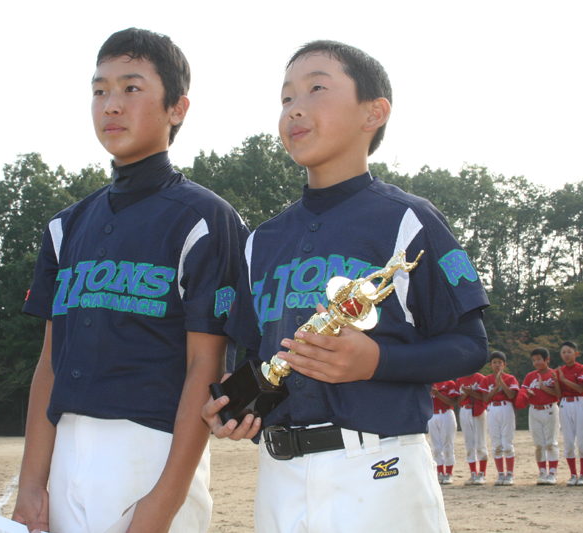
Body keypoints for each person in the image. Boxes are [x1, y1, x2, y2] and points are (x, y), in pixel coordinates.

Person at [202, 40, 489, 533]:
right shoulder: (261, 241)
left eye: (316, 89)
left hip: (379, 467)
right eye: (286, 98)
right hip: (278, 475)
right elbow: (255, 355)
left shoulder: (408, 219)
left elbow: (469, 345)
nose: (295, 108)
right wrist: (238, 405)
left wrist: (377, 361)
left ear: (373, 112)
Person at [12, 28, 247, 533]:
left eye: (131, 88)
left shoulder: (204, 219)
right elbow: (50, 362)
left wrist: (164, 500)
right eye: (99, 91)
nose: (111, 105)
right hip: (65, 453)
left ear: (177, 108)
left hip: (153, 454)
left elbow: (204, 364)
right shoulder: (65, 226)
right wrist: (31, 484)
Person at [522, 347, 561, 485]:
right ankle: (542, 472)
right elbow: (523, 392)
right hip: (534, 410)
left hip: (549, 408)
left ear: (547, 359)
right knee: (539, 444)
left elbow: (559, 394)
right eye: (533, 360)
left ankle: (553, 473)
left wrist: (543, 387)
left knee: (551, 443)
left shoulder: (553, 374)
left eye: (539, 359)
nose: (536, 362)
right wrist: (527, 395)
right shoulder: (530, 376)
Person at [555, 340, 583, 486]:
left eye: (569, 352)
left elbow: (581, 388)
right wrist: (557, 380)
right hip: (565, 403)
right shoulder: (559, 371)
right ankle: (573, 474)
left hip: (579, 402)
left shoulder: (582, 368)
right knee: (568, 441)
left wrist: (564, 380)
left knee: (582, 440)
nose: (566, 355)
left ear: (576, 354)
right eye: (563, 352)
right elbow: (558, 394)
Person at [481, 351, 519, 485]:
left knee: (507, 443)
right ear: (490, 365)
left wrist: (501, 382)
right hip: (492, 409)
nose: (497, 365)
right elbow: (485, 399)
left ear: (504, 365)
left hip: (506, 407)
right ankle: (501, 474)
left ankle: (510, 474)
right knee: (496, 444)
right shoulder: (486, 380)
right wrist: (496, 386)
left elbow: (512, 395)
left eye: (500, 363)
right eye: (495, 362)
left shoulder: (510, 378)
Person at [456, 371, 489, 485]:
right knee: (469, 443)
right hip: (464, 410)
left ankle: (482, 474)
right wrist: (466, 394)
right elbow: (458, 401)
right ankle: (473, 473)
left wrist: (471, 392)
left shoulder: (481, 378)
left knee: (480, 443)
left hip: (478, 410)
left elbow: (484, 398)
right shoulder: (460, 380)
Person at [429, 380, 459, 484]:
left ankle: (449, 473)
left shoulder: (449, 383)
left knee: (447, 445)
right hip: (432, 414)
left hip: (445, 413)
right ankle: (440, 472)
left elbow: (452, 402)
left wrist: (437, 394)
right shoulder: (428, 383)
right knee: (436, 447)